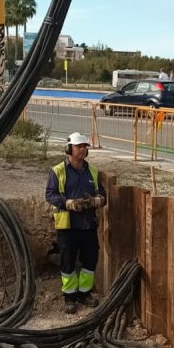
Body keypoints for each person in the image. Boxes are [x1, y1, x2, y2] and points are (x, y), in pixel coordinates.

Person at [45, 132, 107, 314]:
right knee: (68, 262)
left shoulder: (92, 171)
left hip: (88, 224)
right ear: (69, 149)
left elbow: (103, 195)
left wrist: (98, 201)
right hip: (68, 226)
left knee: (90, 260)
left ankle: (84, 293)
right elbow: (50, 194)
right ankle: (70, 297)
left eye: (84, 146)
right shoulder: (57, 171)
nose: (82, 149)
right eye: (79, 146)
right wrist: (67, 203)